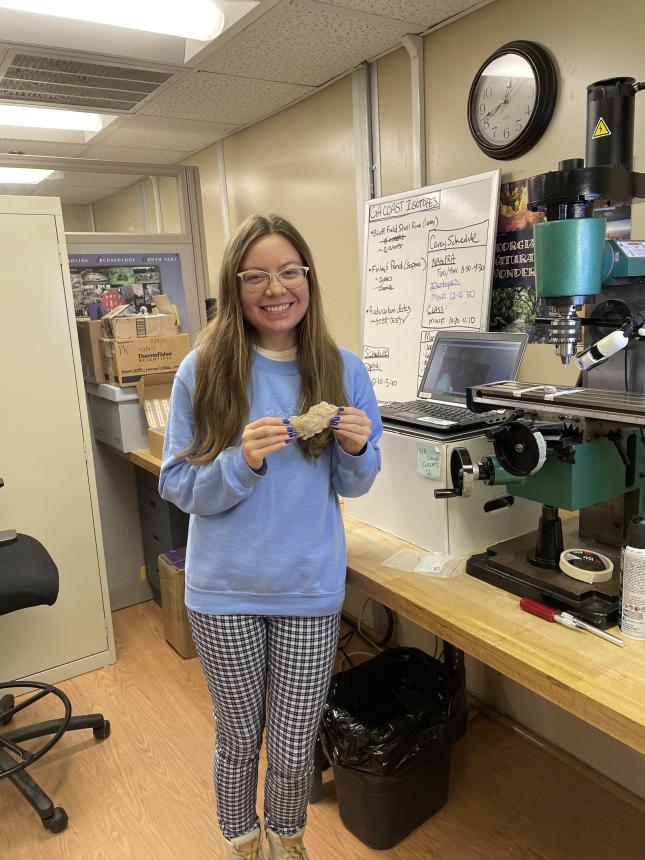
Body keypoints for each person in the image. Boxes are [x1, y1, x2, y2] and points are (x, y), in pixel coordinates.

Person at [159, 213, 382, 859]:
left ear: (307, 278)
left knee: (291, 745)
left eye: (288, 271)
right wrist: (241, 462)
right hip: (224, 589)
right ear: (235, 287)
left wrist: (361, 449)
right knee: (237, 739)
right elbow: (178, 484)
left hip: (308, 588)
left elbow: (356, 483)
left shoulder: (343, 371)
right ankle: (241, 844)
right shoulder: (203, 370)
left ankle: (286, 842)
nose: (274, 287)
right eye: (255, 275)